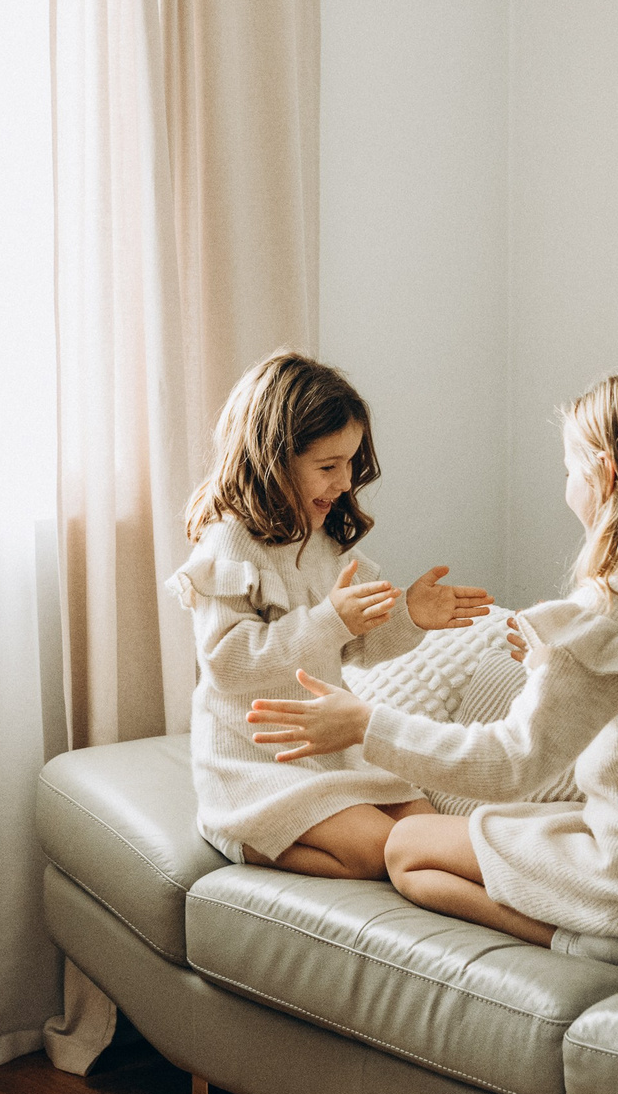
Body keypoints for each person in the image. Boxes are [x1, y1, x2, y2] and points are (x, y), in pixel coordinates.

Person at [245, 373, 618, 962]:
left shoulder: (617, 607)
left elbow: (511, 765)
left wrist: (364, 724)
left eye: (569, 471)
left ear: (604, 475)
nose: (567, 486)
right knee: (466, 843)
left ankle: (599, 946)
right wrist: (553, 668)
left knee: (407, 848)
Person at [171, 353, 493, 879]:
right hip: (254, 761)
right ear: (273, 460)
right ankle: (235, 832)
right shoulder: (228, 543)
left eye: (349, 464)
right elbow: (227, 662)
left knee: (429, 831)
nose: (344, 482)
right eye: (327, 467)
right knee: (375, 851)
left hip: (329, 752)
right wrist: (329, 620)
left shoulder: (324, 542)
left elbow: (357, 645)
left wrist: (408, 615)